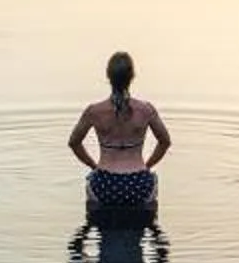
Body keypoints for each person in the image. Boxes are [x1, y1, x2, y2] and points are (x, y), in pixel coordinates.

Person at [68, 50, 170, 216]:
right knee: (143, 225)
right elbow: (165, 141)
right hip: (139, 183)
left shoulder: (94, 111)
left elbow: (74, 142)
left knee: (99, 224)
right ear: (132, 77)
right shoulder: (146, 110)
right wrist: (147, 166)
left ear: (108, 76)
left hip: (104, 183)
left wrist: (94, 167)